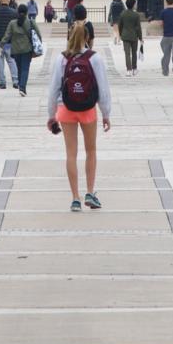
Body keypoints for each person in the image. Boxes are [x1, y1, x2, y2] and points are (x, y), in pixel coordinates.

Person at [45, 21, 112, 211]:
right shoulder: (94, 58)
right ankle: (90, 192)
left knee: (71, 153)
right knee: (91, 150)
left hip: (66, 108)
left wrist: (52, 115)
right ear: (88, 37)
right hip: (88, 109)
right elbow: (103, 88)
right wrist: (106, 113)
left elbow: (53, 89)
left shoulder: (62, 59)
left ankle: (75, 197)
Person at [6, 4, 38, 96]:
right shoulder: (30, 22)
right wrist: (37, 46)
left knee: (19, 68)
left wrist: (1, 45)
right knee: (25, 69)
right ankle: (22, 87)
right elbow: (38, 34)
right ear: (27, 12)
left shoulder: (12, 23)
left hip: (15, 49)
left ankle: (21, 86)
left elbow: (7, 35)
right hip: (27, 49)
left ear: (17, 12)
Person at [117, 0, 143, 76]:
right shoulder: (136, 15)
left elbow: (120, 25)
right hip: (134, 36)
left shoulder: (123, 13)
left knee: (127, 54)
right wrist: (140, 37)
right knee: (134, 53)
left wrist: (121, 34)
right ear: (133, 5)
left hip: (125, 35)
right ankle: (134, 69)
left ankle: (128, 70)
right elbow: (138, 27)